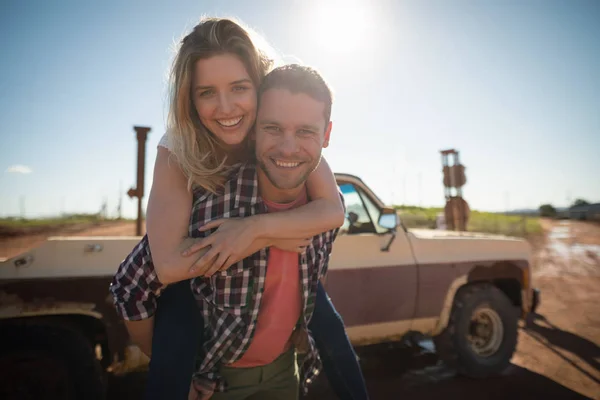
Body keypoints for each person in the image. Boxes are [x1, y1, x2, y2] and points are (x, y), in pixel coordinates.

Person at [109, 17, 369, 400]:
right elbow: (165, 264)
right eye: (207, 93)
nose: (226, 107)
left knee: (328, 324)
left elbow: (332, 209)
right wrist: (263, 237)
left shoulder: (279, 133)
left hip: (277, 357)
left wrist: (256, 230)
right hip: (202, 291)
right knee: (179, 310)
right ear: (189, 99)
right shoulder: (179, 149)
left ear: (260, 88)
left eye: (239, 88)